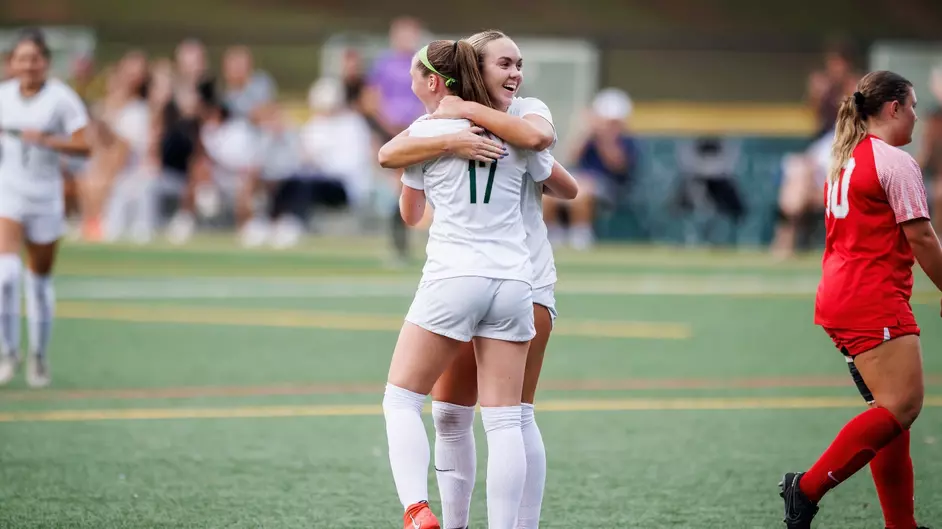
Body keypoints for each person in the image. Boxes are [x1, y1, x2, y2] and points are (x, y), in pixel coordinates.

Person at [378, 29, 575, 529]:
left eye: (517, 63)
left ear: (437, 81)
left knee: (402, 399)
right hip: (513, 281)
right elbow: (558, 177)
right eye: (504, 63)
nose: (515, 73)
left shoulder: (431, 130)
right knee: (504, 419)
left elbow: (406, 203)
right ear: (476, 71)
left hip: (456, 276)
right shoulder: (516, 130)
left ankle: (418, 510)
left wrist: (443, 130)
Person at [780, 71, 942, 529]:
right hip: (871, 297)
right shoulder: (895, 161)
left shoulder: (846, 155)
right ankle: (805, 489)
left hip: (841, 293)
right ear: (893, 108)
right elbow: (923, 239)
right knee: (902, 406)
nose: (914, 115)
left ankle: (900, 524)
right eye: (911, 106)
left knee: (890, 412)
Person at [0, 29, 91, 388]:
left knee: (37, 283)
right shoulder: (3, 96)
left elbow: (86, 146)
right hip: (8, 194)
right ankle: (8, 352)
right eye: (21, 59)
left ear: (46, 63)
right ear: (11, 63)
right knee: (5, 275)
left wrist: (49, 141)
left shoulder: (62, 100)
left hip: (45, 197)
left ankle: (39, 355)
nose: (28, 66)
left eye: (34, 59)